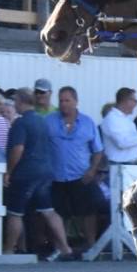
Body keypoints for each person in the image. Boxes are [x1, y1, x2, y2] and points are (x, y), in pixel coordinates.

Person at [1, 88, 71, 260]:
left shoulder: (20, 123)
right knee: (48, 210)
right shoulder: (42, 121)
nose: (15, 104)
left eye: (16, 101)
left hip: (25, 173)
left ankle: (8, 250)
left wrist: (9, 171)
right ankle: (65, 248)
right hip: (45, 171)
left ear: (21, 101)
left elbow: (18, 148)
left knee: (15, 212)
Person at [45, 86, 106, 255]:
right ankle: (60, 247)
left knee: (88, 211)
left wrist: (92, 170)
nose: (64, 104)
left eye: (67, 100)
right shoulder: (49, 121)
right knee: (58, 212)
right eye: (61, 100)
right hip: (56, 176)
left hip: (81, 175)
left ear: (76, 101)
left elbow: (98, 150)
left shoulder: (87, 122)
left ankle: (91, 245)